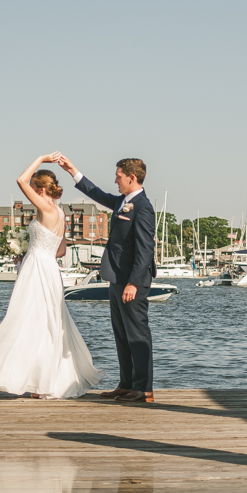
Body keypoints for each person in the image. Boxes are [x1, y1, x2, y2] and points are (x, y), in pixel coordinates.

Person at [0, 153, 102, 399]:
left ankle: (37, 382)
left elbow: (20, 180)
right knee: (48, 322)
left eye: (33, 188)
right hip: (49, 268)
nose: (28, 191)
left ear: (40, 189)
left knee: (29, 320)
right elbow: (60, 250)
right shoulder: (61, 214)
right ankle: (45, 382)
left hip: (37, 269)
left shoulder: (44, 206)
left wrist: (41, 158)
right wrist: (28, 251)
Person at [57, 155, 156, 404]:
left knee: (137, 334)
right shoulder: (124, 201)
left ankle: (143, 388)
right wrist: (73, 171)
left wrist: (133, 282)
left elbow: (145, 250)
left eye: (119, 176)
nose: (115, 180)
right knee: (121, 334)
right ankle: (126, 384)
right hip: (116, 278)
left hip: (133, 281)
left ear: (132, 178)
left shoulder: (143, 208)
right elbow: (99, 195)